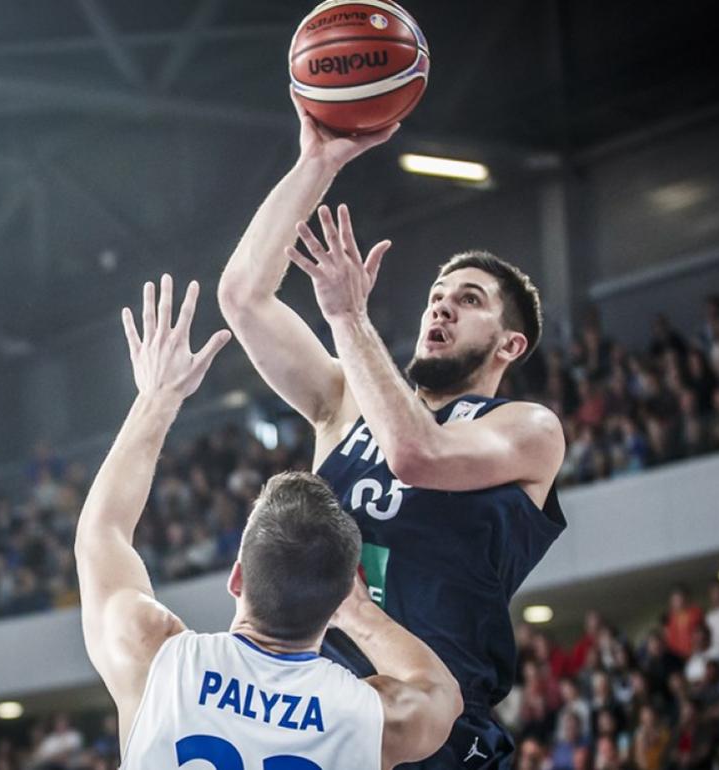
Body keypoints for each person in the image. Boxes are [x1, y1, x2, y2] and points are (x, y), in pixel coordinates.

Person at [219, 94, 567, 768]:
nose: (442, 306)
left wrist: (348, 319)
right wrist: (314, 163)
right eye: (438, 294)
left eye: (469, 301)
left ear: (510, 345)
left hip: (430, 721)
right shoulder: (345, 399)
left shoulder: (526, 428)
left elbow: (417, 454)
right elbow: (243, 298)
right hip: (309, 704)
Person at [75, 275, 462, 768]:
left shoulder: (157, 657)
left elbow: (100, 534)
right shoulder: (371, 716)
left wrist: (156, 398)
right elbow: (442, 695)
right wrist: (359, 613)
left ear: (236, 578)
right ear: (340, 593)